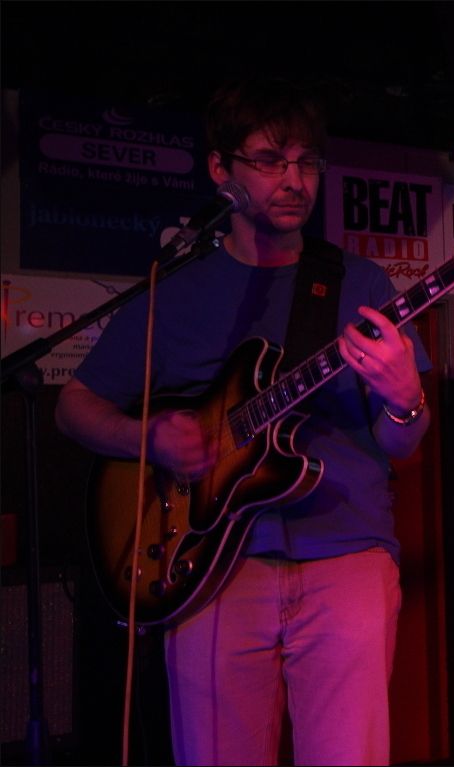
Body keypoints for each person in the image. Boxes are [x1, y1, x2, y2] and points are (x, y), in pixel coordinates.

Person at [55, 77, 431, 765]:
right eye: (269, 160)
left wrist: (406, 397)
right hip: (208, 566)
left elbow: (399, 444)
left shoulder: (360, 284)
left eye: (307, 161)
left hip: (346, 555)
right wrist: (148, 438)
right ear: (220, 169)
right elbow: (74, 405)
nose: (294, 180)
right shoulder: (175, 292)